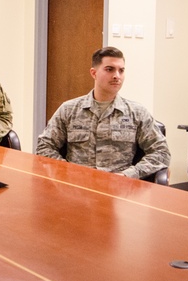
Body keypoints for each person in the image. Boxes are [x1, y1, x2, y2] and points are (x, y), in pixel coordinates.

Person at [36, 46, 170, 180]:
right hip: (77, 187)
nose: (117, 76)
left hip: (119, 189)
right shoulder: (69, 110)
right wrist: (67, 171)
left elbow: (161, 152)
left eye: (121, 70)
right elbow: (45, 146)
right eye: (109, 69)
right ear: (94, 73)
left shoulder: (137, 113)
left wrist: (129, 174)